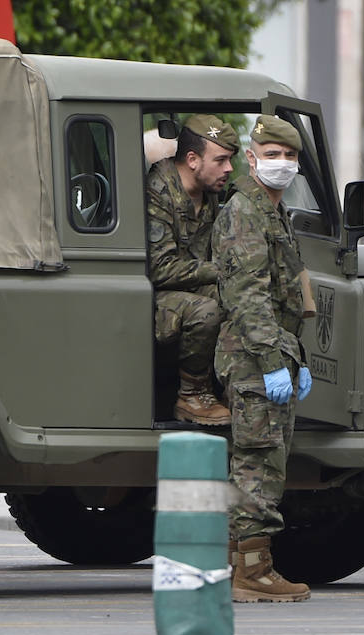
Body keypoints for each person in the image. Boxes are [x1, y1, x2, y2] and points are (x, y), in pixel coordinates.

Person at [212, 114, 314, 603]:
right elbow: (248, 295)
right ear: (251, 159)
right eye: (273, 156)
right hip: (253, 356)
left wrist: (298, 358)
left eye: (291, 157)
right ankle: (253, 571)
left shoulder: (272, 212)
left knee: (264, 457)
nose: (283, 165)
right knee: (259, 462)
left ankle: (242, 564)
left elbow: (287, 295)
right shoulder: (244, 211)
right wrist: (273, 360)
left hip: (271, 352)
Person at [146, 114, 240, 425]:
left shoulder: (209, 192)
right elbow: (159, 269)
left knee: (240, 299)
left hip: (188, 289)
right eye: (221, 160)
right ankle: (192, 395)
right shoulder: (159, 191)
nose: (228, 169)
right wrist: (219, 271)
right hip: (153, 298)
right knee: (207, 310)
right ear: (192, 160)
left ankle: (233, 386)